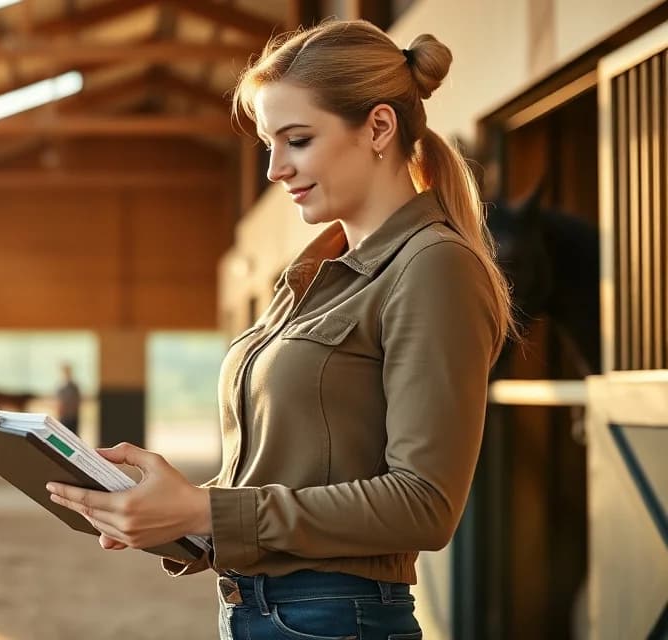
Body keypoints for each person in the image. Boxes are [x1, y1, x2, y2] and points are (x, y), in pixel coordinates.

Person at [46, 20, 513, 640]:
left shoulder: (434, 267)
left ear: (378, 128)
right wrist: (174, 508)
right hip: (259, 609)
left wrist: (208, 509)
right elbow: (293, 478)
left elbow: (424, 505)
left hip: (335, 618)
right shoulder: (313, 277)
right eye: (270, 143)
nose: (274, 169)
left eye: (296, 140)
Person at [54, 362, 81, 435]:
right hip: (63, 416)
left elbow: (77, 401)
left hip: (72, 416)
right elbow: (58, 401)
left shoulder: (74, 386)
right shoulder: (60, 386)